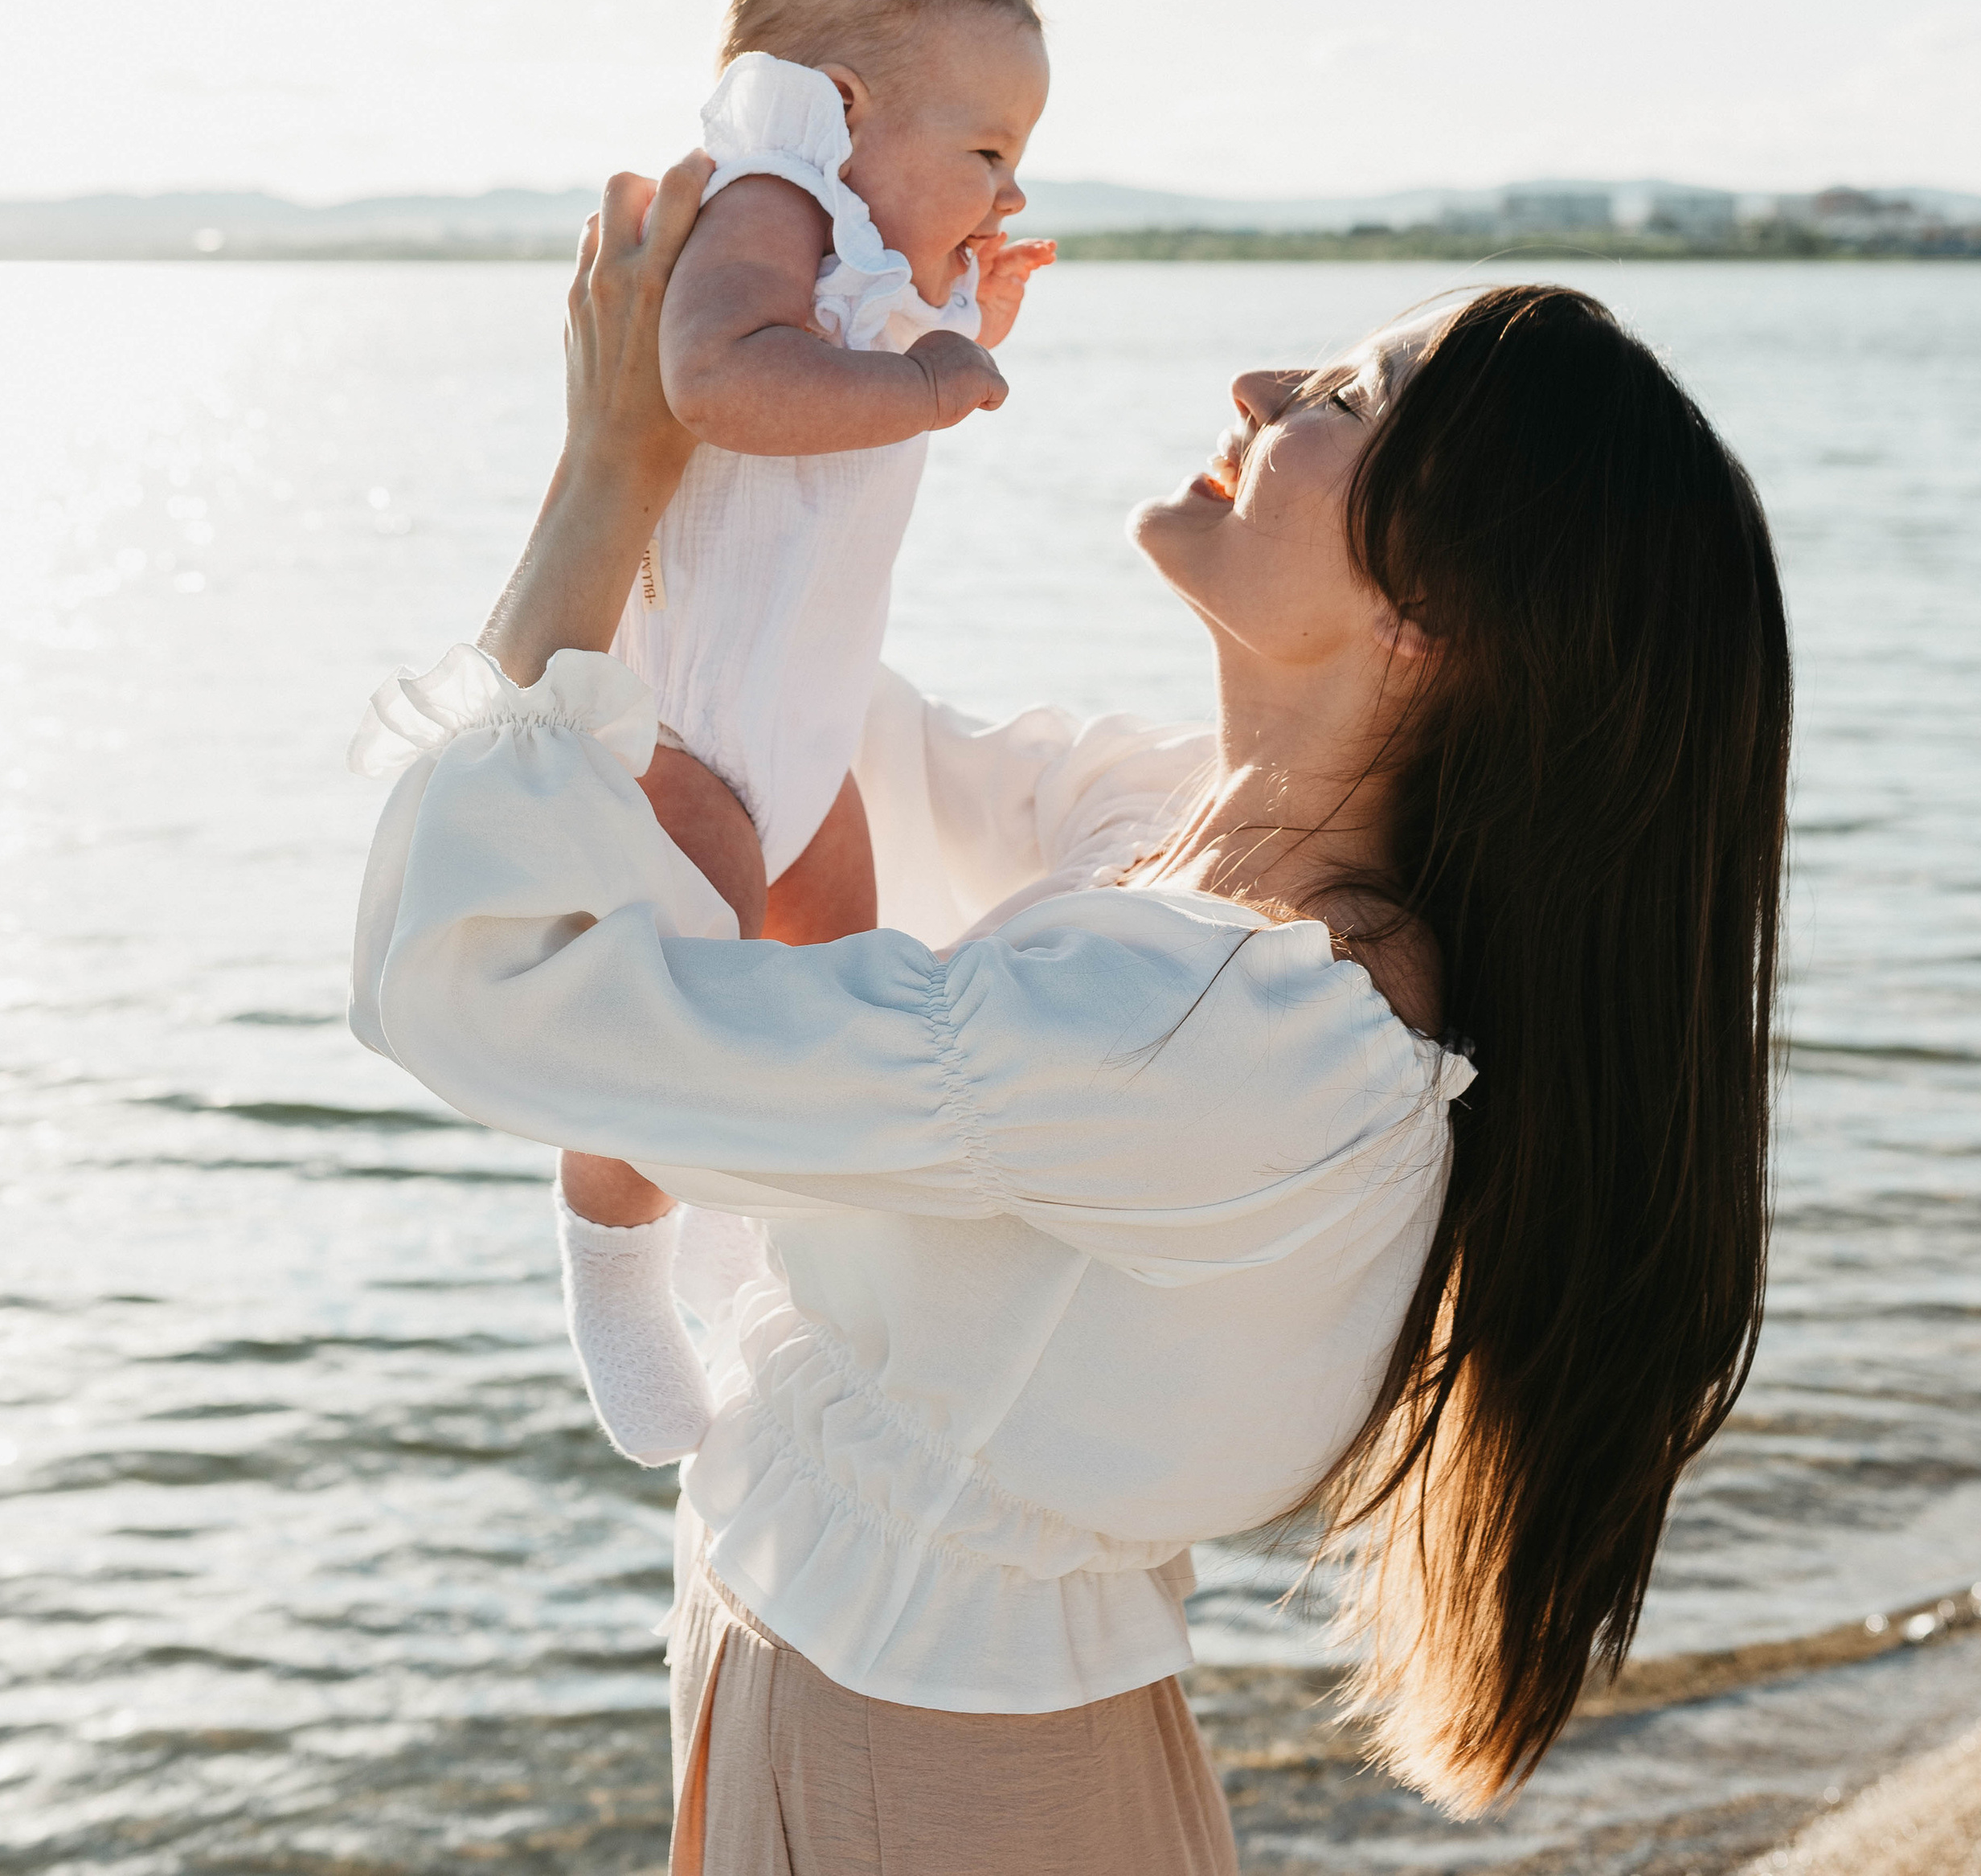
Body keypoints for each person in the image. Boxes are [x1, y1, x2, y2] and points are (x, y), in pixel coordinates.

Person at [350, 161, 1789, 1874]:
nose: (1257, 391)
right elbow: (782, 723)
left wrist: (607, 477)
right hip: (866, 1705)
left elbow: (484, 987)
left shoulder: (1221, 1031)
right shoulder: (1190, 854)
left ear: (1430, 623)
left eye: (1343, 399)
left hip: (931, 1779)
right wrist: (804, 374)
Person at [553, 0, 1055, 1463]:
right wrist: (913, 379)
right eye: (983, 150)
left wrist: (956, 313)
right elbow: (714, 377)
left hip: (797, 723)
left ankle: (733, 1189)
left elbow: (849, 344)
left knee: (832, 944)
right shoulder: (765, 200)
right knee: (679, 1000)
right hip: (692, 725)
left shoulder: (855, 251)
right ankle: (613, 1261)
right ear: (843, 110)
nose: (1008, 186)